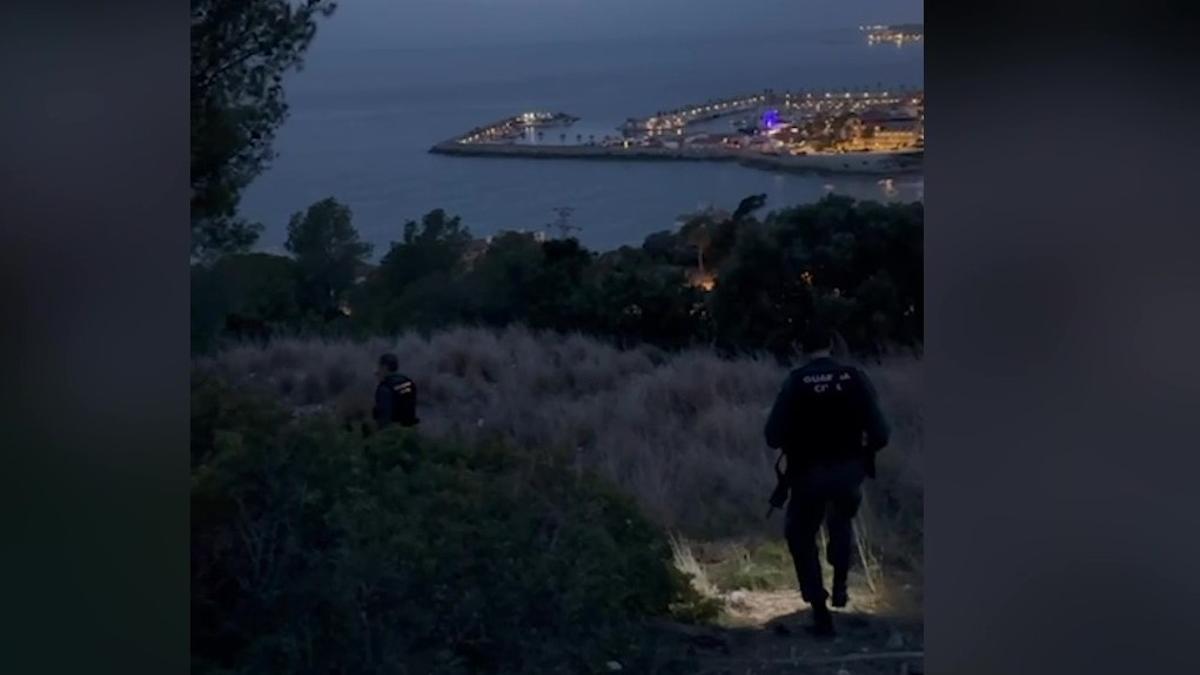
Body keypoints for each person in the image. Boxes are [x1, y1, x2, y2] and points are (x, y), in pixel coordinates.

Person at [764, 325, 890, 637]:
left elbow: (772, 435)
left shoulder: (796, 382)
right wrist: (862, 455)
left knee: (800, 535)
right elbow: (882, 433)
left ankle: (820, 611)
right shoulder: (854, 378)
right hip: (848, 472)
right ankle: (841, 583)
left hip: (807, 475)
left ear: (799, 348)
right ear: (832, 345)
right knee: (842, 519)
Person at [372, 353, 419, 430]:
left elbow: (385, 414)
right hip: (410, 430)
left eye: (379, 367)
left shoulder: (385, 387)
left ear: (385, 367)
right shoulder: (408, 382)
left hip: (393, 432)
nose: (378, 370)